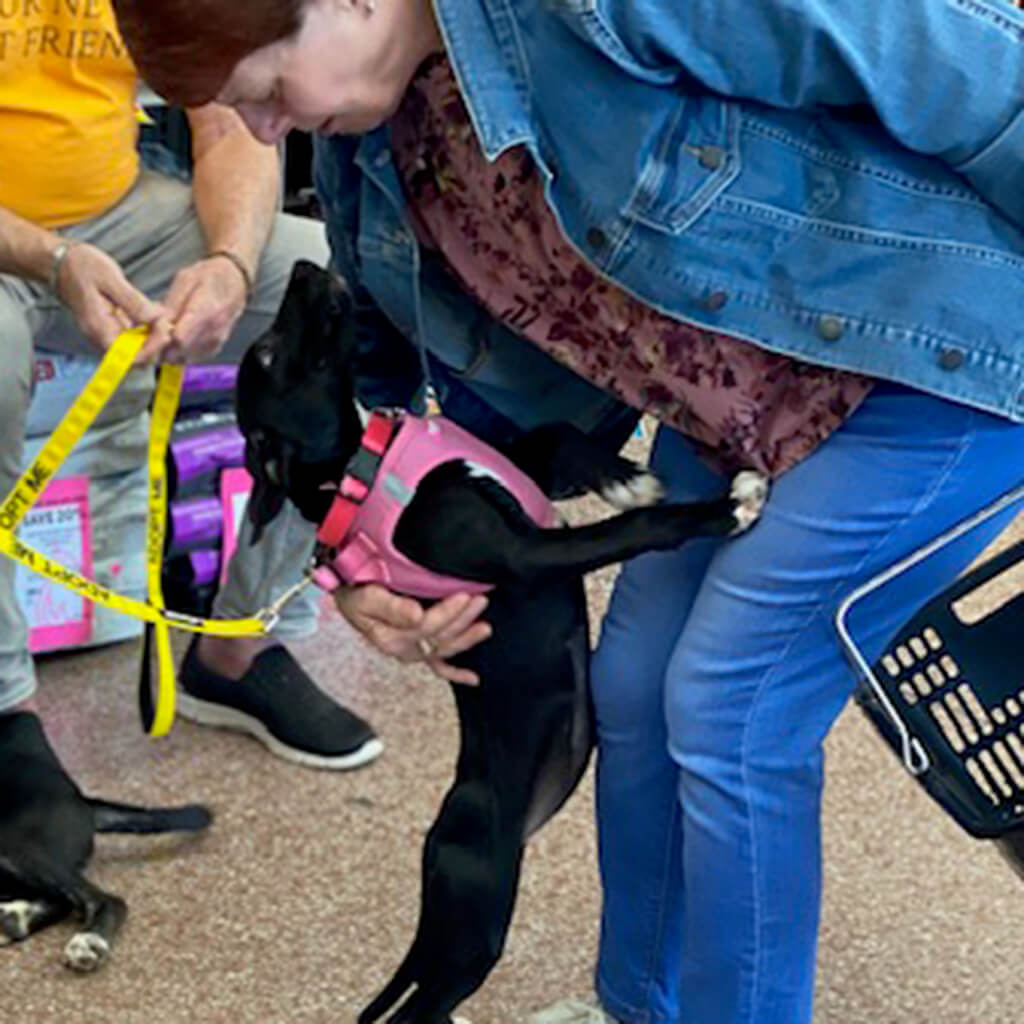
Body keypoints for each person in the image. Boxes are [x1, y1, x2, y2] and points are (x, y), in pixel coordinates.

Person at [112, 1, 1024, 1022]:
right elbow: (408, 393)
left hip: (935, 355)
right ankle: (641, 1005)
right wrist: (359, 563)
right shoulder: (367, 147)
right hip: (743, 401)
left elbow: (950, 58)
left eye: (268, 92)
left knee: (730, 710)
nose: (269, 132)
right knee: (631, 683)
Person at [0, 0, 382, 773]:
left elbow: (227, 117)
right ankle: (5, 707)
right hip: (18, 245)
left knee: (347, 300)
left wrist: (231, 264)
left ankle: (238, 648)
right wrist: (54, 260)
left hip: (116, 219)